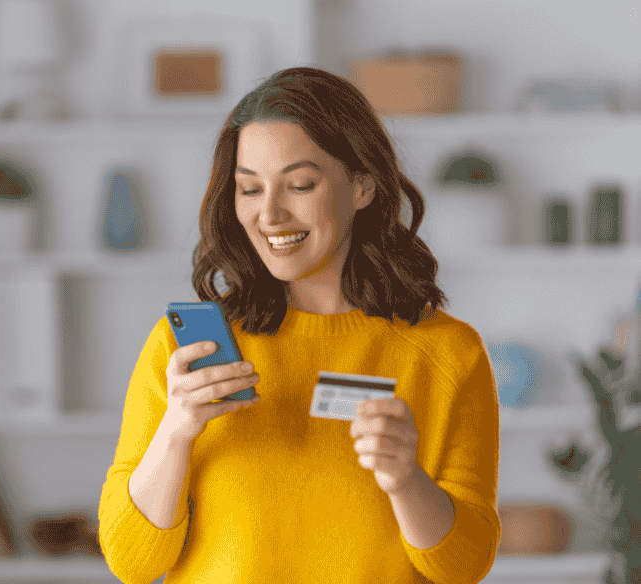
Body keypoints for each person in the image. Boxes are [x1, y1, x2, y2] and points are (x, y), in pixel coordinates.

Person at [98, 66, 500, 583]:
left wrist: (406, 480)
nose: (270, 215)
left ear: (362, 185)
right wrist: (176, 432)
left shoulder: (449, 353)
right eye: (249, 189)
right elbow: (131, 563)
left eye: (300, 185)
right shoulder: (186, 353)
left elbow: (465, 567)